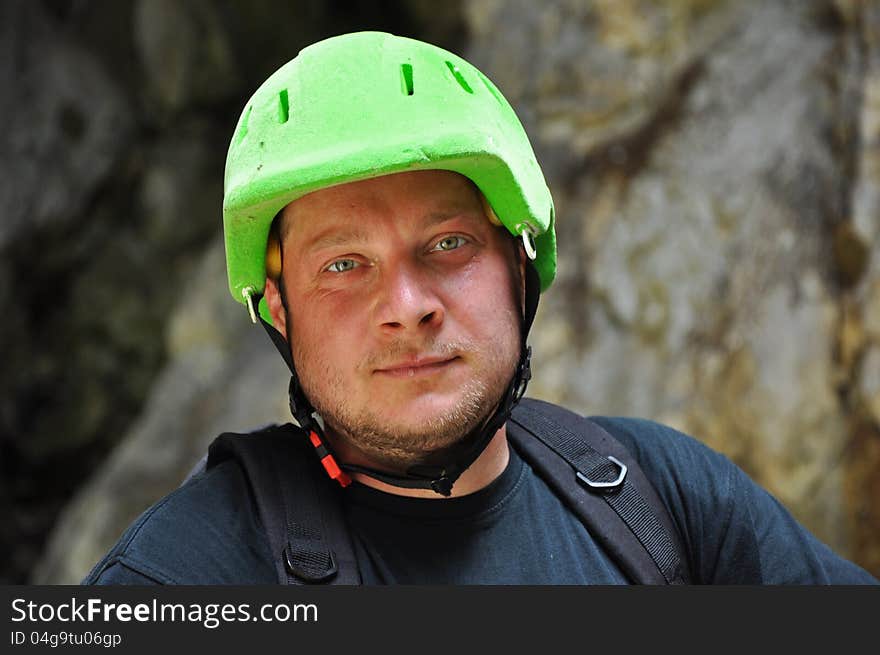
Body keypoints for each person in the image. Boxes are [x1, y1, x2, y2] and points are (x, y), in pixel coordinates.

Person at [83, 31, 878, 585]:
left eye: (449, 244)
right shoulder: (192, 571)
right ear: (280, 310)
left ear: (519, 265)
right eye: (345, 264)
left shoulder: (662, 499)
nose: (406, 305)